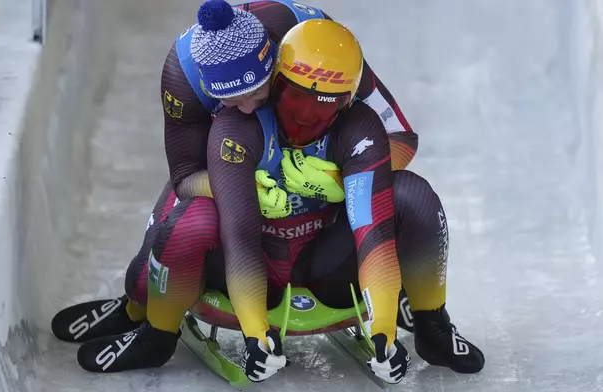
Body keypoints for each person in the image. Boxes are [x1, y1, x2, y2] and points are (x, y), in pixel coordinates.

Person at [66, 15, 485, 385]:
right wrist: (242, 188)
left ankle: (431, 320)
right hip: (246, 229)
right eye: (290, 100)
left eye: (260, 93)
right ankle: (145, 313)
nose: (304, 118)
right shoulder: (223, 113)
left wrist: (384, 330)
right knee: (187, 221)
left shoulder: (334, 73)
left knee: (412, 193)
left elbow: (374, 221)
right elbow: (189, 184)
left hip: (320, 248)